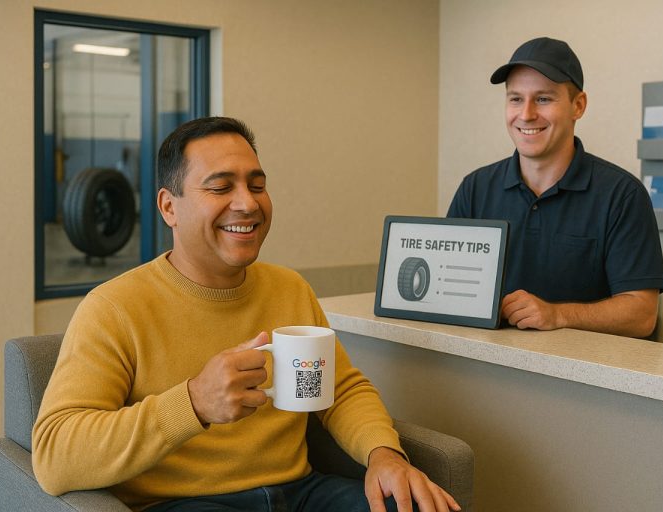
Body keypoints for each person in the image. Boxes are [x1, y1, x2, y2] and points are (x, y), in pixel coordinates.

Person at [32, 117, 460, 512]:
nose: (247, 204)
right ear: (169, 208)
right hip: (186, 502)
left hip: (301, 493)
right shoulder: (114, 308)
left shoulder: (289, 288)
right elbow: (55, 457)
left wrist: (384, 454)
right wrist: (195, 402)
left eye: (257, 185)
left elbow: (340, 391)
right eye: (220, 188)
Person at [447, 37, 663, 338]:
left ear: (578, 106)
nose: (525, 114)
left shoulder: (622, 195)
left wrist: (557, 314)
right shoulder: (474, 189)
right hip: (486, 373)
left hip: (587, 380)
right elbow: (447, 292)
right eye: (515, 99)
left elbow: (641, 314)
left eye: (543, 99)